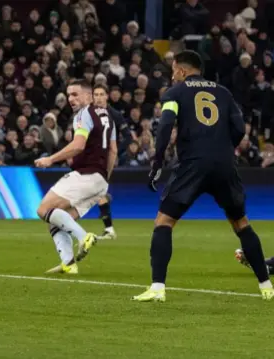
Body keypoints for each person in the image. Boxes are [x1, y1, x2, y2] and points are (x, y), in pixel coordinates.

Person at [134, 50, 273, 302]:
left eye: (174, 70)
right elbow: (240, 128)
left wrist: (157, 162)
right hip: (224, 164)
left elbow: (165, 125)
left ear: (183, 70)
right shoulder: (223, 92)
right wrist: (221, 148)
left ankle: (157, 288)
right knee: (241, 224)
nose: (173, 75)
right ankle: (266, 286)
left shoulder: (174, 93)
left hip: (193, 164)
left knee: (164, 222)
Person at [34, 79, 118, 274]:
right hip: (99, 180)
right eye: (69, 94)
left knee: (43, 209)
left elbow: (78, 145)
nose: (71, 98)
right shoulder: (108, 118)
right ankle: (68, 263)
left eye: (75, 94)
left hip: (86, 174)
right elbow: (113, 151)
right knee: (57, 219)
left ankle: (83, 237)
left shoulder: (83, 114)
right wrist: (105, 180)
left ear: (88, 96)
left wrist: (51, 159)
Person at [92, 84, 130, 240]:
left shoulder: (114, 115)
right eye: (96, 94)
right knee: (96, 192)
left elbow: (128, 137)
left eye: (102, 94)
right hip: (90, 157)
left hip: (105, 159)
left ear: (107, 96)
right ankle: (105, 212)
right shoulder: (89, 114)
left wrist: (113, 152)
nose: (99, 98)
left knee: (97, 191)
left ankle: (108, 227)